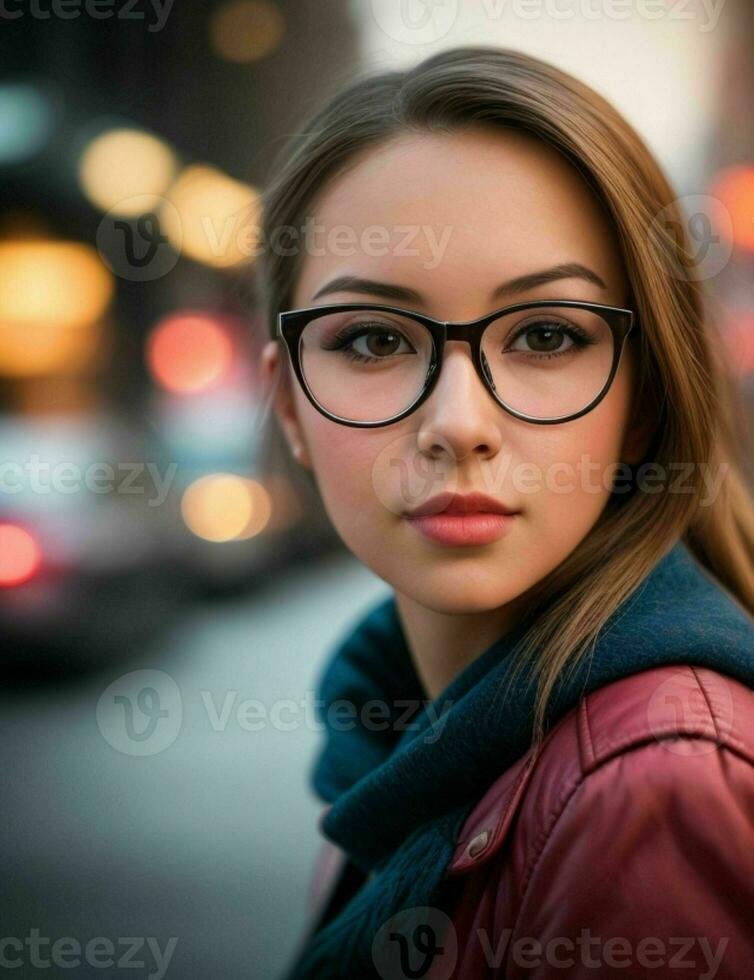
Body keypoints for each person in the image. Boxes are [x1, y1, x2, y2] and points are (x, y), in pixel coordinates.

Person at [256, 46, 754, 979]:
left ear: (643, 396)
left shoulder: (653, 785)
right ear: (289, 404)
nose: (458, 426)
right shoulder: (389, 750)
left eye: (545, 335)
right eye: (373, 339)